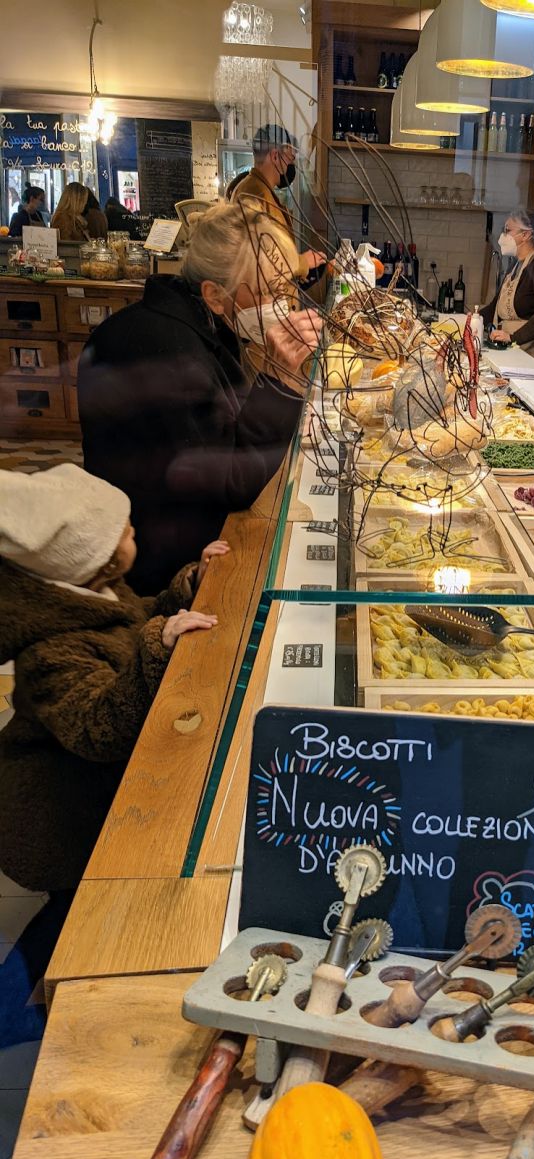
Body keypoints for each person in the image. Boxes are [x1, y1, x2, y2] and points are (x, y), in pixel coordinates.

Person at [0, 464, 225, 1036]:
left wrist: (185, 588)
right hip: (57, 811)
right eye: (124, 531)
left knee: (72, 911)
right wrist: (160, 640)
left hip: (86, 791)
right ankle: (41, 1019)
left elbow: (132, 617)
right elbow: (97, 729)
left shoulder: (91, 592)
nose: (135, 534)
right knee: (74, 912)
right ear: (98, 558)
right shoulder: (49, 651)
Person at [78, 202, 323, 593]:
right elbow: (231, 479)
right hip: (154, 574)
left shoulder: (190, 326)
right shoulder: (169, 351)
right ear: (213, 294)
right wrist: (278, 381)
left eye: (287, 288)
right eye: (271, 292)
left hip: (169, 535)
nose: (284, 304)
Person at [229, 124, 324, 279]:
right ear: (274, 156)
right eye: (290, 158)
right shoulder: (254, 195)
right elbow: (259, 263)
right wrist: (302, 262)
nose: (290, 166)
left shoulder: (261, 190)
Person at [481, 208, 534, 366]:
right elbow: (495, 307)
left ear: (526, 235)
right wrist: (468, 320)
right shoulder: (515, 265)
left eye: (507, 230)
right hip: (518, 349)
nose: (502, 237)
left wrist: (513, 338)